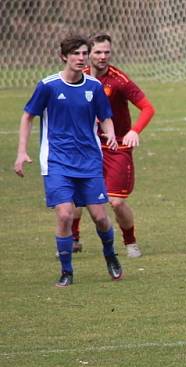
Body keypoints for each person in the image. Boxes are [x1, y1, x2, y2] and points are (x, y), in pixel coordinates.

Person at [15, 34, 122, 287]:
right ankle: (67, 272)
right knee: (65, 215)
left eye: (84, 53)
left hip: (89, 161)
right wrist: (21, 151)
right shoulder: (48, 86)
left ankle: (110, 255)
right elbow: (27, 116)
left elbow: (105, 115)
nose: (81, 58)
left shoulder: (94, 87)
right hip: (57, 162)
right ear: (64, 56)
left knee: (100, 217)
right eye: (76, 54)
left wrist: (111, 134)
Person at [71, 33, 156, 258]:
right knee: (75, 194)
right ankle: (73, 238)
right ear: (88, 54)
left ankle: (130, 242)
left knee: (116, 202)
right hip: (88, 146)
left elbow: (148, 108)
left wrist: (134, 131)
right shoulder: (79, 77)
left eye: (106, 52)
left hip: (117, 146)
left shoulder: (119, 80)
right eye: (98, 52)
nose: (103, 56)